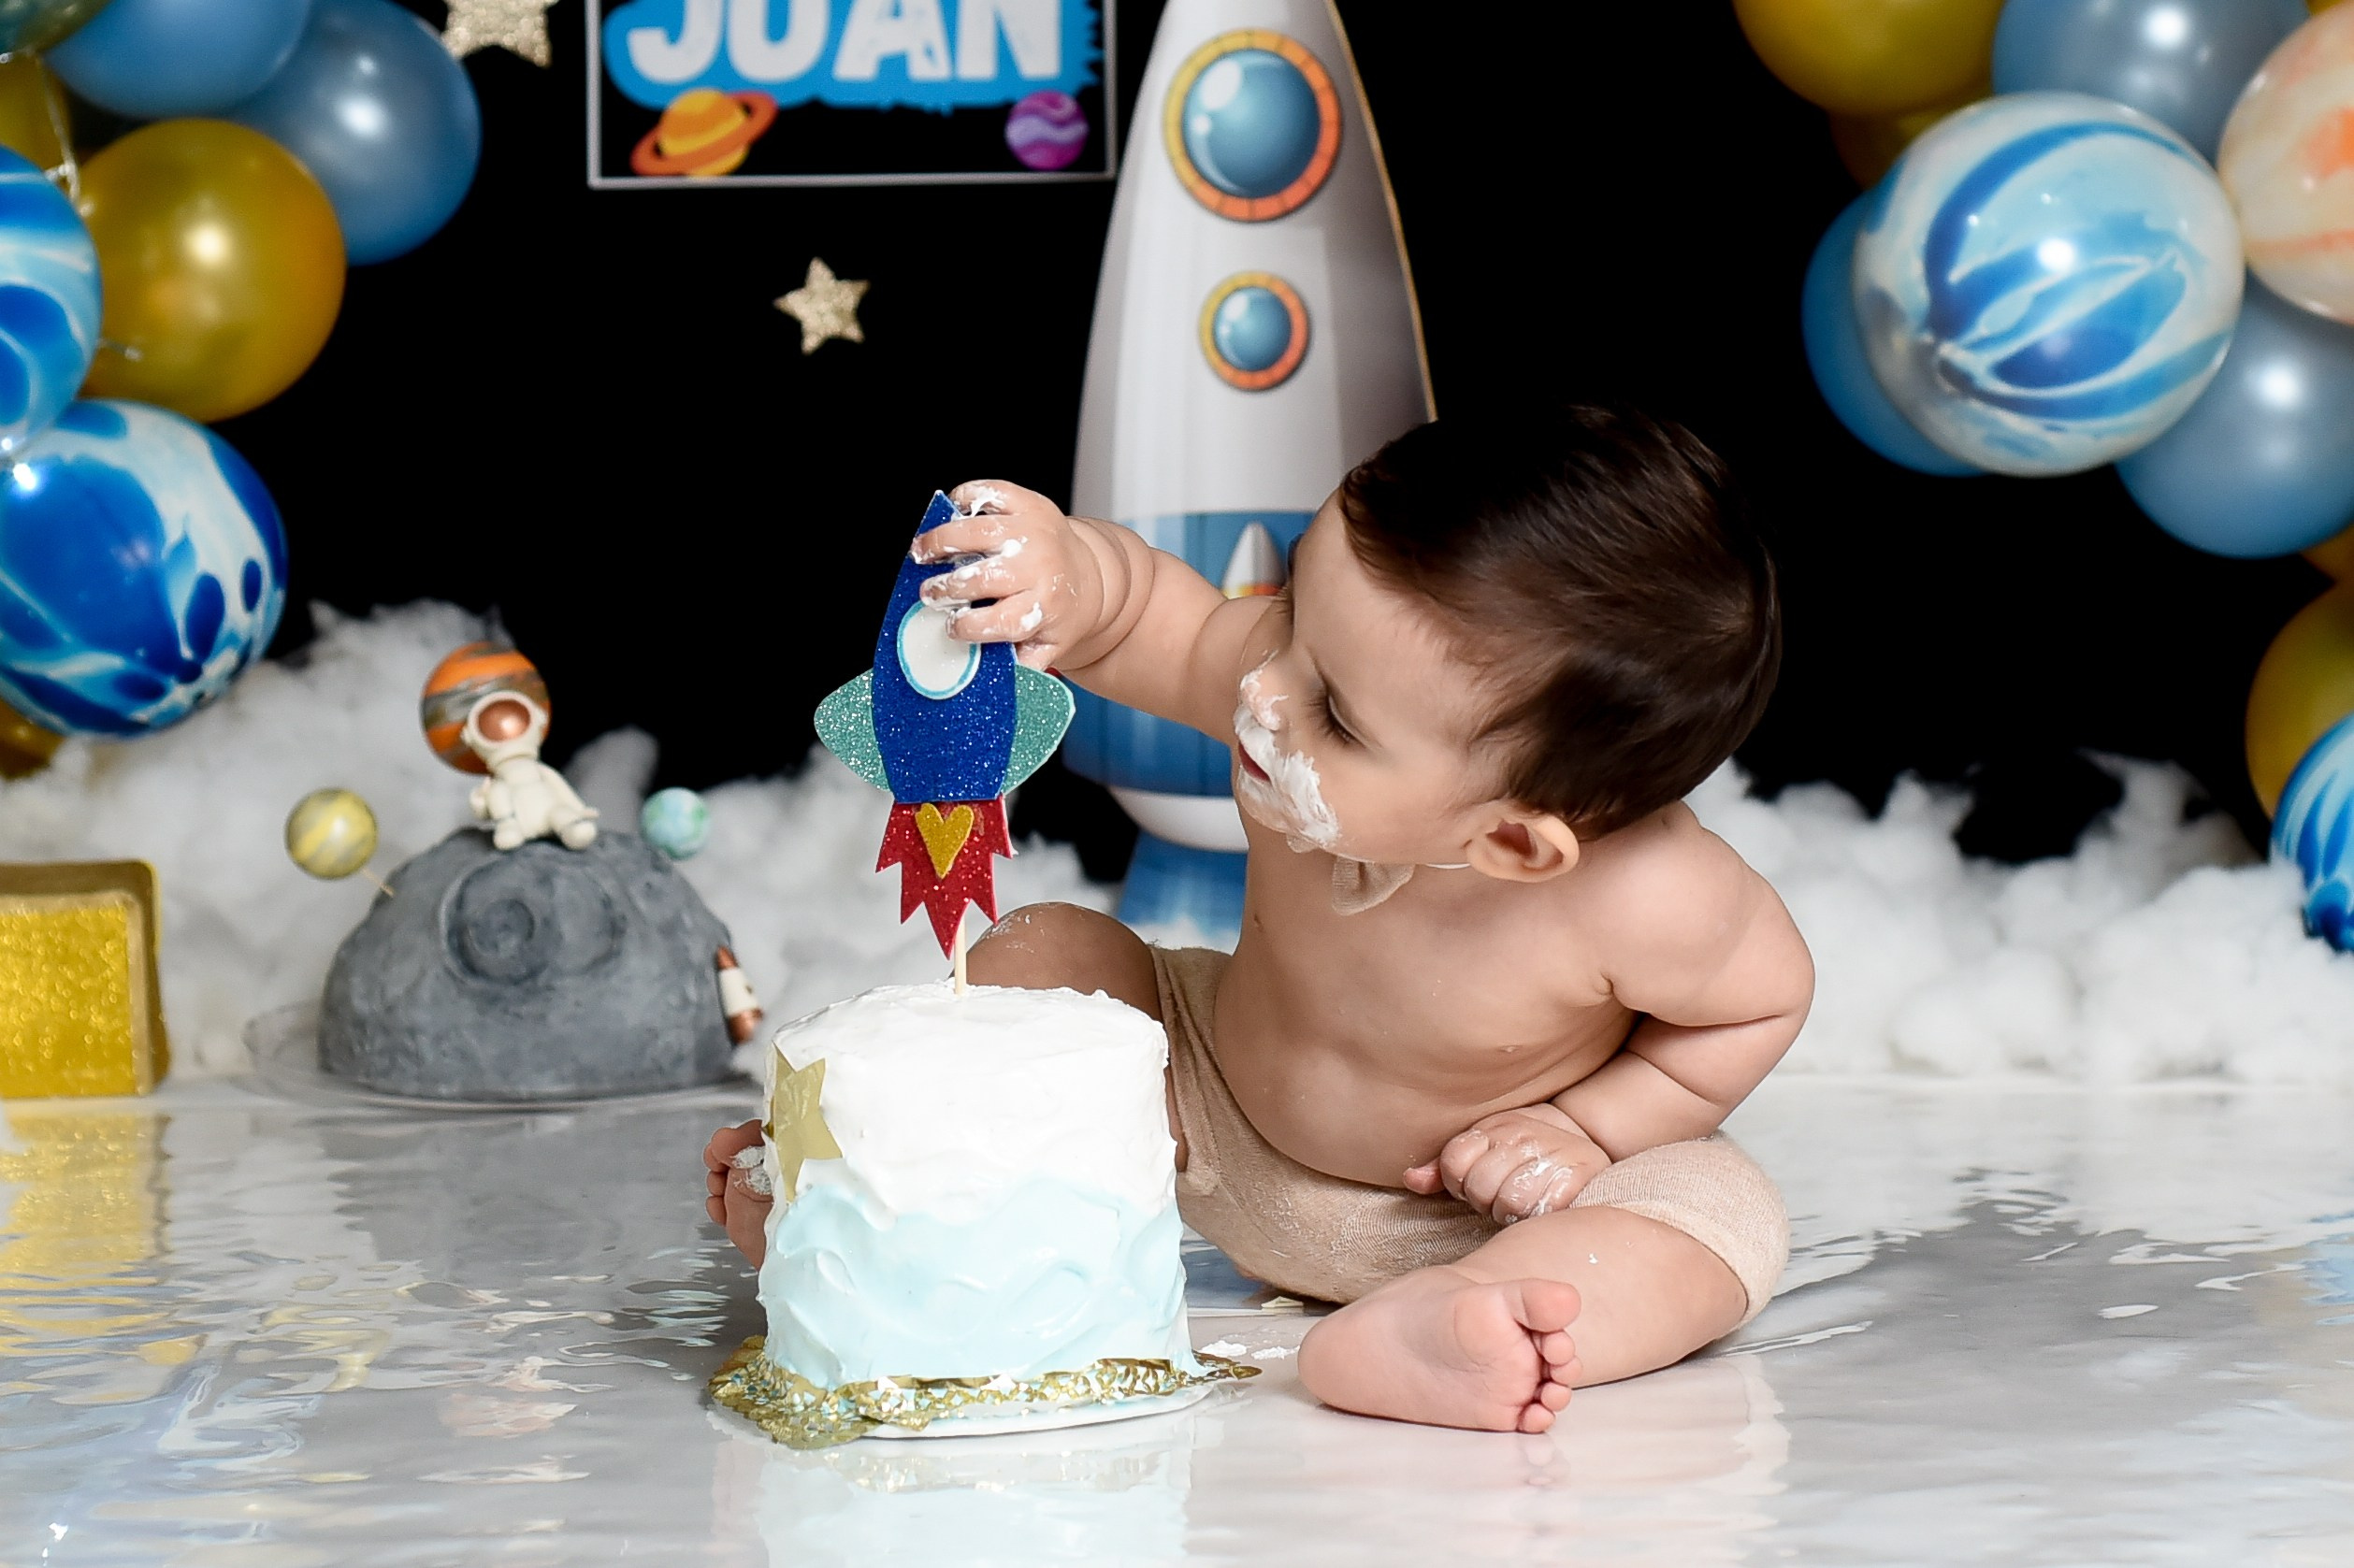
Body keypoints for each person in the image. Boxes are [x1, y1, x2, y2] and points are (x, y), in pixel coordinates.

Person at [704, 404, 1812, 1433]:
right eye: (1288, 611)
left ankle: (1468, 1321)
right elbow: (1154, 619)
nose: (1264, 691)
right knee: (1054, 949)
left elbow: (1760, 1002)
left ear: (1516, 843)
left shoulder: (1654, 896)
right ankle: (883, 1214)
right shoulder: (1293, 675)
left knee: (1710, 1220)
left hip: (1487, 1210)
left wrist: (1594, 1129)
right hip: (1213, 1116)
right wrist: (1071, 576)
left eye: (1333, 712)